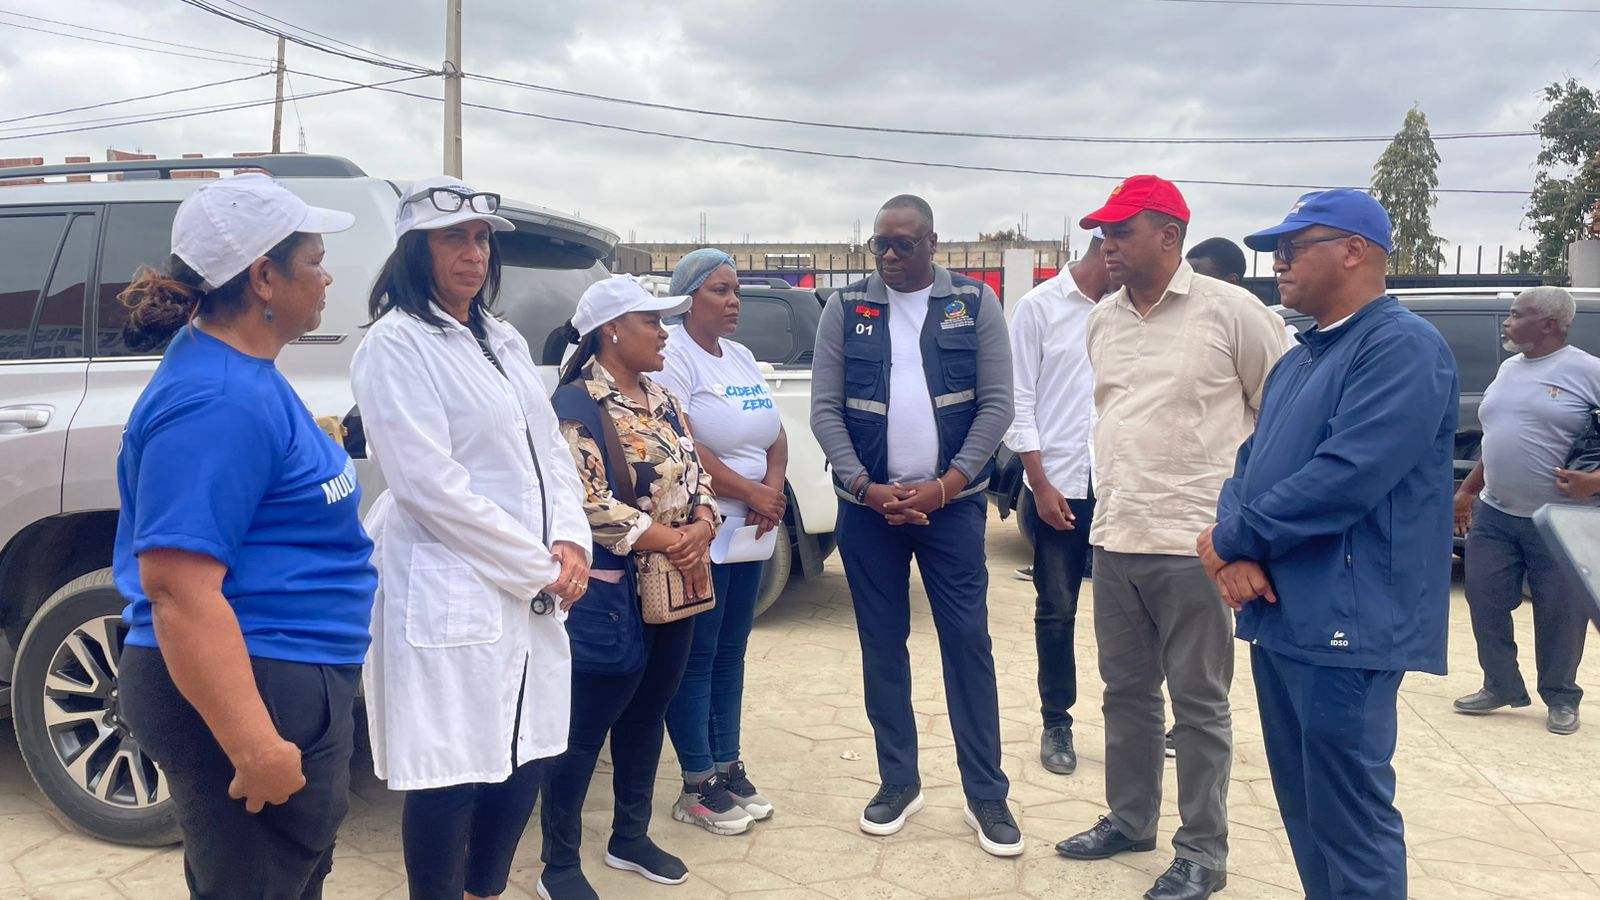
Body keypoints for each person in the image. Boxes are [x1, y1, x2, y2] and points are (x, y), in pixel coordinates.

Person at [112, 174, 376, 898]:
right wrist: (254, 743)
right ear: (264, 277)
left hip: (284, 668)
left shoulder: (242, 372)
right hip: (256, 676)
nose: (326, 278)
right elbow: (178, 591)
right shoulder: (216, 401)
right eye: (315, 261)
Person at [1201, 189, 1458, 900]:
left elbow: (1347, 477)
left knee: (1350, 820)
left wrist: (1229, 538)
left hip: (1348, 619)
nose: (1277, 263)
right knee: (1308, 812)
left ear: (1354, 251)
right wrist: (1234, 550)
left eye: (1292, 248)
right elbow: (1249, 464)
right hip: (1287, 615)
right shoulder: (1302, 357)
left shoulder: (1399, 347)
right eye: (1275, 251)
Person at [350, 176, 593, 900]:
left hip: (531, 581)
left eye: (482, 238)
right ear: (414, 250)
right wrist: (536, 566)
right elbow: (428, 486)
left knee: (526, 753)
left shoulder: (502, 338)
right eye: (453, 237)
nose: (474, 253)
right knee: (450, 771)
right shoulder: (396, 345)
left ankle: (484, 891)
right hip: (454, 579)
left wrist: (571, 539)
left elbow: (550, 451)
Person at [1055, 175, 1289, 900]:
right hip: (1116, 534)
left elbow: (1280, 423)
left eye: (1121, 231)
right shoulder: (1104, 319)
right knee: (1124, 693)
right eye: (1103, 233)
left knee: (1198, 704)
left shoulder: (1234, 313)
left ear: (1169, 235)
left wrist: (1247, 533)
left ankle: (1203, 853)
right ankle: (1131, 821)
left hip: (1198, 544)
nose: (1107, 245)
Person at [810, 194, 1023, 857]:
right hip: (868, 512)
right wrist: (864, 487)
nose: (891, 255)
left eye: (905, 243)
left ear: (933, 243)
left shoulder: (974, 303)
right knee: (882, 645)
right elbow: (824, 409)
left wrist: (947, 485)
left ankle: (986, 793)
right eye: (881, 244)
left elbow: (997, 405)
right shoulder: (847, 307)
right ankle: (898, 782)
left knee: (967, 642)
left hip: (951, 509)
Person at [542, 275, 719, 900]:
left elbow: (696, 472)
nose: (665, 333)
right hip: (611, 596)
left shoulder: (662, 397)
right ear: (612, 330)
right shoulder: (575, 406)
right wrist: (673, 539)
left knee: (648, 715)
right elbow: (583, 502)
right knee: (583, 731)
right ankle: (559, 863)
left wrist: (702, 524)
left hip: (674, 589)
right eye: (653, 322)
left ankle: (629, 837)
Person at [656, 249, 787, 835]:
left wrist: (772, 490)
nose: (734, 301)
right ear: (688, 298)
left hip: (750, 530)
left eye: (736, 290)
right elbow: (686, 443)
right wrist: (750, 492)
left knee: (733, 648)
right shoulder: (674, 357)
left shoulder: (740, 356)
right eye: (719, 290)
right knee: (698, 654)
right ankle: (696, 782)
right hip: (703, 526)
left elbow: (775, 433)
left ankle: (728, 765)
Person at [1453, 286, 1600, 735]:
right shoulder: (1508, 369)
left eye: (1517, 315)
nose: (1507, 322)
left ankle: (1561, 697)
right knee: (1484, 599)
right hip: (1496, 513)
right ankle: (1500, 684)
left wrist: (1595, 481)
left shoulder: (1588, 371)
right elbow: (1497, 437)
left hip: (1558, 521)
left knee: (1560, 614)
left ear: (1550, 325)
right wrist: (1468, 490)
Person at [1004, 229, 1111, 777]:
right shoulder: (1039, 307)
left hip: (1122, 485)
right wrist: (1039, 483)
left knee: (1136, 611)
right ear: (1105, 248)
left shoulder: (1133, 308)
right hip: (1059, 486)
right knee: (1058, 606)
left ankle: (1135, 723)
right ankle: (1057, 722)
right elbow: (1018, 400)